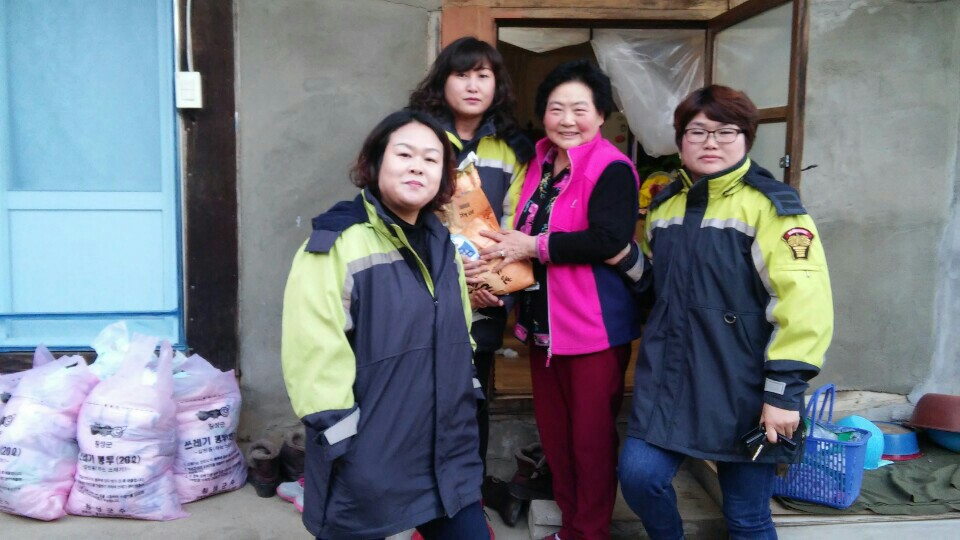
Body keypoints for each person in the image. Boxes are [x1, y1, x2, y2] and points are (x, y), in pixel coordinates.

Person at [610, 85, 834, 539]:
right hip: (671, 380)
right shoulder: (665, 206)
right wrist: (623, 256)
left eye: (726, 131)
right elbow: (659, 289)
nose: (711, 142)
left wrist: (783, 394)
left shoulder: (773, 207)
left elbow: (804, 305)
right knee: (639, 477)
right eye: (697, 131)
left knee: (747, 517)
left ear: (747, 138)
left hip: (745, 388)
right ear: (680, 141)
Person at [281, 110, 488, 540]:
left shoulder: (444, 246)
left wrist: (467, 390)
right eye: (404, 154)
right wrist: (342, 439)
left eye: (431, 159)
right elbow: (312, 353)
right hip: (369, 457)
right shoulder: (336, 244)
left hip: (447, 452)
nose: (418, 166)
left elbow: (460, 333)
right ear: (375, 163)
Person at [479, 59, 641, 540]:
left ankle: (590, 532)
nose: (567, 120)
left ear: (601, 114)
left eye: (579, 109)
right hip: (543, 327)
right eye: (556, 109)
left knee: (590, 442)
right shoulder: (540, 163)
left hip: (592, 327)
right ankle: (571, 528)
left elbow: (609, 238)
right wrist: (495, 274)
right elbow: (517, 231)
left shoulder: (612, 167)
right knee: (557, 437)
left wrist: (534, 246)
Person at [408, 36, 533, 479]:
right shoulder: (416, 137)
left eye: (483, 75)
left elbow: (516, 224)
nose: (473, 85)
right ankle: (420, 494)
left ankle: (467, 495)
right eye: (461, 74)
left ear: (497, 84)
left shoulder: (513, 149)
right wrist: (448, 272)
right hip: (421, 289)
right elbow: (399, 216)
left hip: (484, 296)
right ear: (442, 81)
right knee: (416, 395)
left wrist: (487, 286)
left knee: (471, 397)